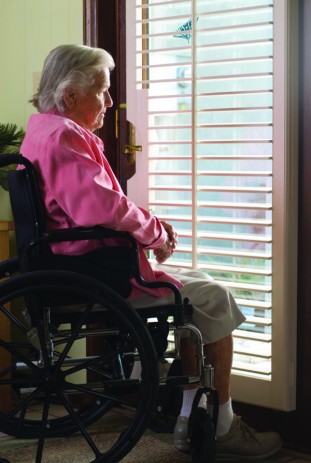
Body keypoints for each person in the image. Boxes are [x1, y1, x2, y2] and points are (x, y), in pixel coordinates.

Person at [20, 44, 282, 460]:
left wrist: (149, 227)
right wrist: (155, 232)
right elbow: (99, 207)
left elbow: (97, 204)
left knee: (202, 292)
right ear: (70, 96)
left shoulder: (41, 130)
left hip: (80, 263)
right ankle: (221, 426)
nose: (109, 101)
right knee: (214, 297)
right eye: (102, 91)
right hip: (96, 273)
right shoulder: (64, 136)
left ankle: (188, 421)